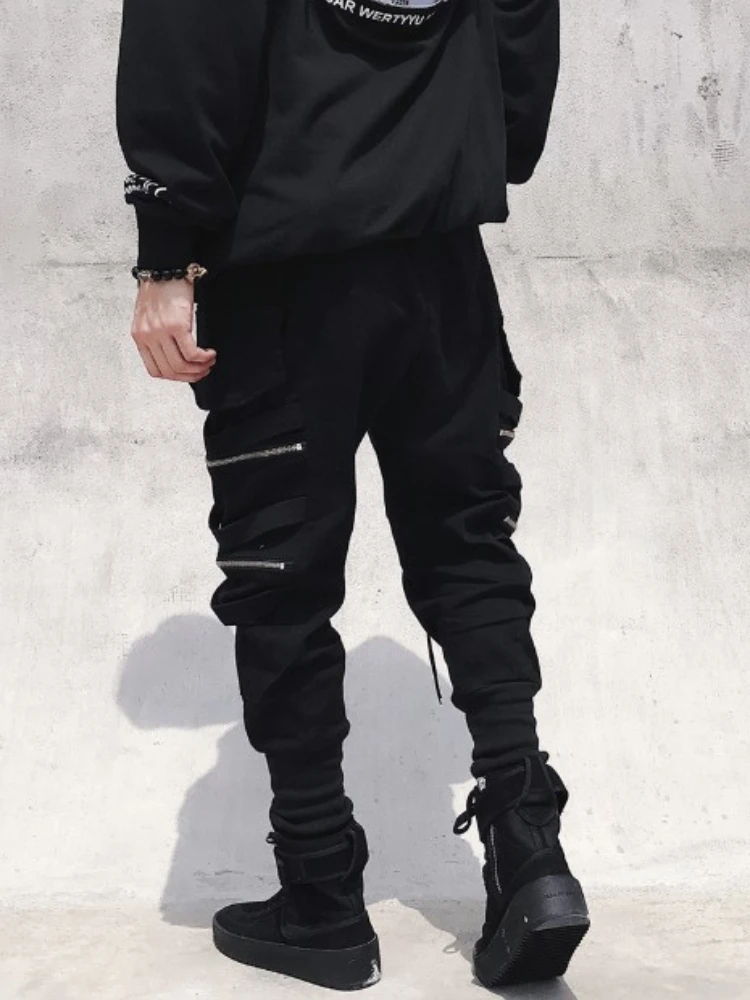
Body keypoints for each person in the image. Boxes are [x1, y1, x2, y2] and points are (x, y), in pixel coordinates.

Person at [115, 0, 590, 990]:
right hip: (443, 263)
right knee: (468, 539)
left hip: (286, 266)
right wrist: (471, 136)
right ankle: (531, 851)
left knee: (281, 572)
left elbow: (188, 30)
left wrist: (167, 250)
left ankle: (321, 894)